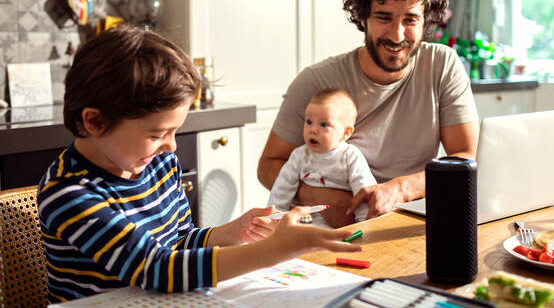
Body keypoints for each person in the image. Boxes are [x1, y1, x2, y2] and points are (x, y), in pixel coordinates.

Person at [37, 26, 360, 304]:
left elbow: (178, 240)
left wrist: (231, 232)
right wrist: (273, 251)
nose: (171, 146)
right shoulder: (69, 193)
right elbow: (157, 268)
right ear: (95, 121)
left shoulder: (159, 163)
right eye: (157, 134)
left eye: (174, 131)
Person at [258, 0, 480, 228]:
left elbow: (464, 157)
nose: (397, 35)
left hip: (412, 221)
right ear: (363, 18)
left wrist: (399, 189)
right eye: (383, 17)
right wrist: (325, 197)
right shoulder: (316, 81)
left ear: (426, 24)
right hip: (337, 228)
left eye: (410, 20)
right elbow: (269, 164)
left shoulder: (442, 65)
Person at [267, 88, 377, 227]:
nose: (313, 129)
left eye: (324, 124)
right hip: (305, 223)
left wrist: (364, 224)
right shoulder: (299, 155)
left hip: (339, 225)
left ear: (345, 133)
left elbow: (364, 191)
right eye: (308, 122)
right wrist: (274, 218)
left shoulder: (350, 156)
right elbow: (282, 189)